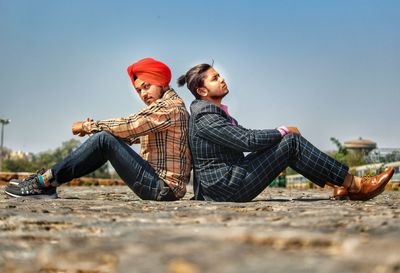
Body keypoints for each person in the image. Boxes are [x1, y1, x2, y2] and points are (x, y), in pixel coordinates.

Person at [177, 63, 394, 202]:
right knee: (291, 142)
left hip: (227, 181)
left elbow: (246, 135)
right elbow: (247, 141)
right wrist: (282, 130)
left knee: (286, 144)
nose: (222, 79)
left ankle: (340, 184)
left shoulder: (211, 112)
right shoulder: (205, 116)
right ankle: (357, 185)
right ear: (203, 91)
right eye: (215, 78)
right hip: (225, 187)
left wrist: (277, 135)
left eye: (219, 75)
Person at [5, 58, 191, 201]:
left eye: (146, 87)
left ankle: (43, 183)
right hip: (159, 185)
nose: (143, 94)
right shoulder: (166, 108)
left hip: (162, 188)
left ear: (162, 83)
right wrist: (100, 131)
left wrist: (89, 127)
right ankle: (47, 182)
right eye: (139, 90)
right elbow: (129, 135)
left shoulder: (170, 108)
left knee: (103, 139)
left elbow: (131, 124)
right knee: (105, 139)